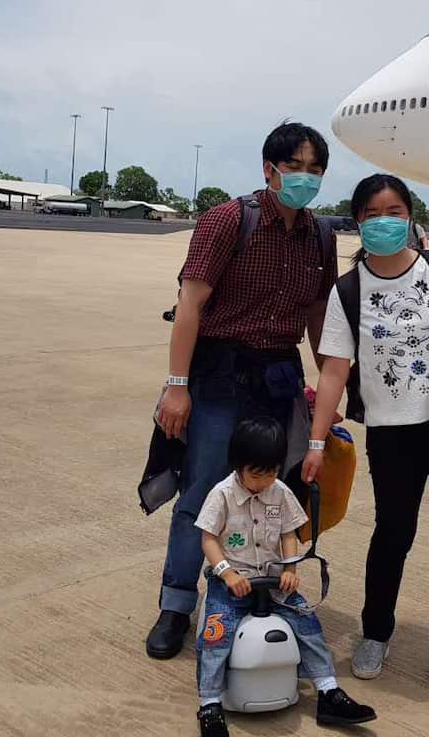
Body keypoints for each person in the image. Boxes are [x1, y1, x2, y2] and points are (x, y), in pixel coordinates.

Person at [304, 174, 429, 704]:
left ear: (410, 216)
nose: (384, 222)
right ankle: (375, 634)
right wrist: (317, 442)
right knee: (392, 535)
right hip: (391, 434)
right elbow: (332, 372)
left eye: (394, 211)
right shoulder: (348, 291)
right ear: (358, 221)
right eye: (372, 214)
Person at [148, 122, 338, 661]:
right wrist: (177, 386)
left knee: (273, 495)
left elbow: (318, 316)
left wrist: (326, 389)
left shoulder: (321, 236)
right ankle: (176, 604)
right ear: (269, 169)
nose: (304, 177)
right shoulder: (229, 220)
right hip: (219, 376)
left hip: (278, 378)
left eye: (315, 169)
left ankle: (261, 592)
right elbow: (190, 304)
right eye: (295, 166)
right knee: (203, 493)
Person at [194, 418, 375, 736]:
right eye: (256, 475)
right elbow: (208, 538)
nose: (264, 482)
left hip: (273, 580)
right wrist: (226, 572)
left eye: (272, 473)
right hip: (232, 583)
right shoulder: (222, 494)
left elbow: (288, 533)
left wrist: (290, 569)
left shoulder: (279, 492)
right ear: (238, 465)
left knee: (307, 622)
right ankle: (210, 704)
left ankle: (328, 691)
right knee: (216, 635)